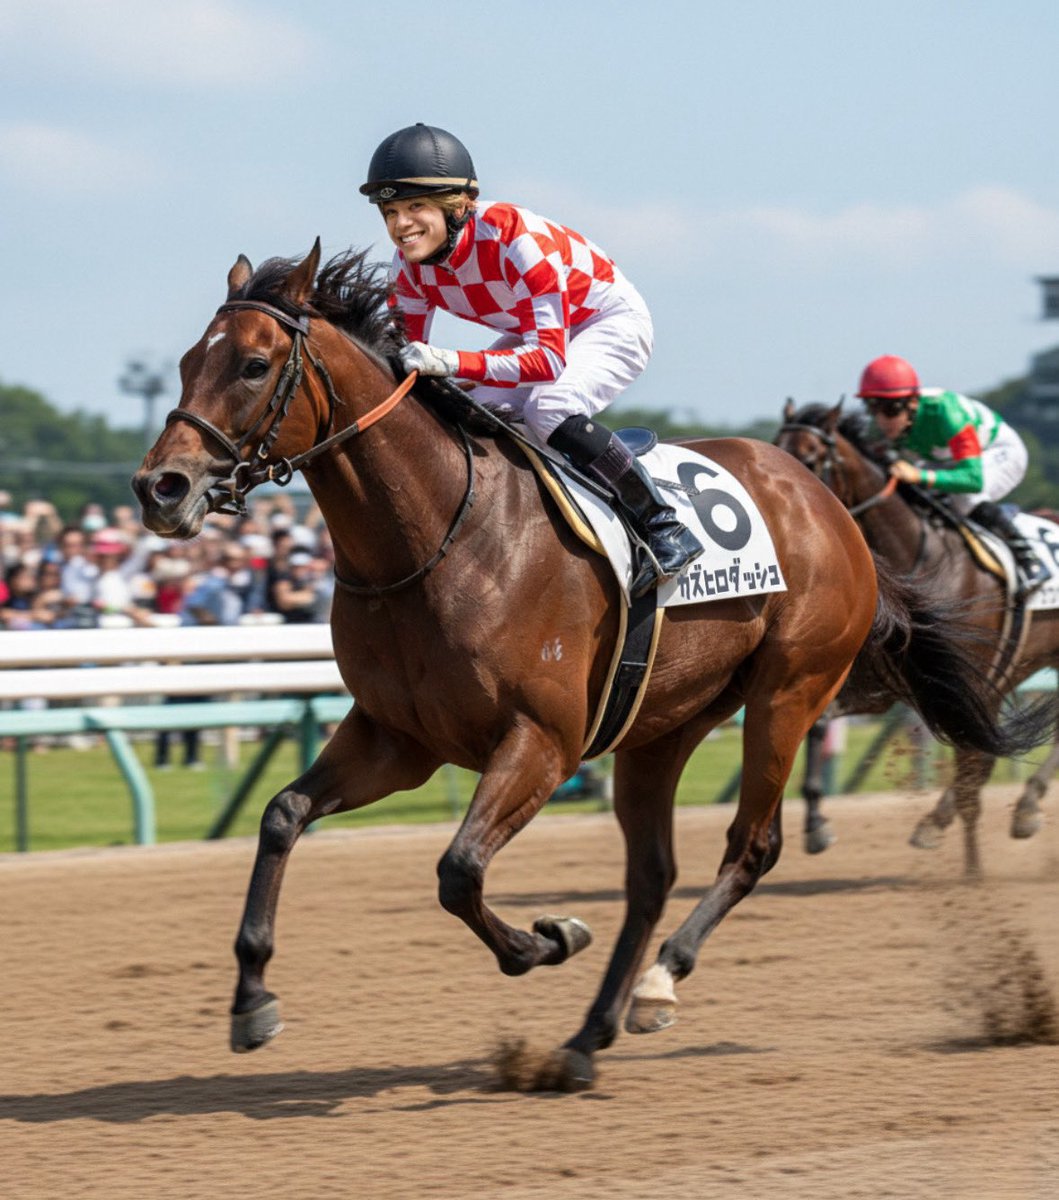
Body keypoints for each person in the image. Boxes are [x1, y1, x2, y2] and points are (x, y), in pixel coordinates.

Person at [360, 122, 703, 598]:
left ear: (458, 205)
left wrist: (449, 360)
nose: (402, 225)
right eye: (391, 210)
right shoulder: (409, 269)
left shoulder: (516, 238)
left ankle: (663, 524)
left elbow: (546, 362)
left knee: (549, 407)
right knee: (468, 413)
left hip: (607, 322)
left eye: (417, 206)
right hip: (533, 334)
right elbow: (407, 364)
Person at [857, 354, 1047, 598]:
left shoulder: (947, 413)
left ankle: (1028, 559)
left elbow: (972, 479)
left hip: (999, 453)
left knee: (966, 498)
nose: (882, 420)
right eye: (873, 408)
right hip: (947, 461)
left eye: (890, 409)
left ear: (913, 403)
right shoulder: (887, 423)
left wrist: (918, 475)